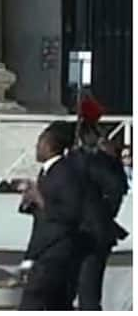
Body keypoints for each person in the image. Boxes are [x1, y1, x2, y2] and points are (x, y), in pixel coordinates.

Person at [17, 121, 85, 311]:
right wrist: (29, 201)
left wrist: (40, 199)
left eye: (40, 141)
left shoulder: (66, 172)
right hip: (44, 251)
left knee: (32, 305)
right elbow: (43, 215)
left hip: (57, 253)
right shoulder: (46, 172)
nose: (36, 147)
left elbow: (71, 213)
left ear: (50, 144)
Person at [64, 114, 129, 310]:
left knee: (88, 293)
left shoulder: (93, 161)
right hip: (70, 233)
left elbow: (117, 188)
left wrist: (103, 215)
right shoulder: (73, 160)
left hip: (92, 234)